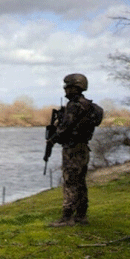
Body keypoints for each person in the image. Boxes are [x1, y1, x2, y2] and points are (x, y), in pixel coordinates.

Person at [47, 73, 102, 227]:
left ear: (75, 87)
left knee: (70, 181)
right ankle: (81, 215)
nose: (65, 89)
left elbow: (64, 129)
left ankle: (67, 217)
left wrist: (52, 139)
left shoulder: (74, 105)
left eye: (67, 86)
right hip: (84, 147)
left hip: (72, 148)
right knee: (80, 182)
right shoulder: (88, 105)